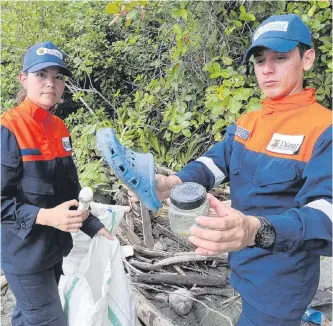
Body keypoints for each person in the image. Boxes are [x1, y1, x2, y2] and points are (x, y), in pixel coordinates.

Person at [129, 14, 332, 325]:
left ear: (306, 59)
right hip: (241, 266)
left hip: (282, 282)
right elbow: (215, 163)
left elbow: (326, 214)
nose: (267, 69)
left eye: (280, 58)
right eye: (260, 60)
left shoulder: (323, 128)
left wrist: (255, 229)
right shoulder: (249, 122)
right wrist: (174, 182)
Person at [1, 41, 114, 326]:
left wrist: (92, 225)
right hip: (24, 255)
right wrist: (46, 216)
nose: (50, 83)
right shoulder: (9, 129)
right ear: (24, 80)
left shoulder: (59, 128)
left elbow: (67, 191)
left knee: (28, 316)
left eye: (58, 77)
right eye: (41, 75)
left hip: (53, 250)